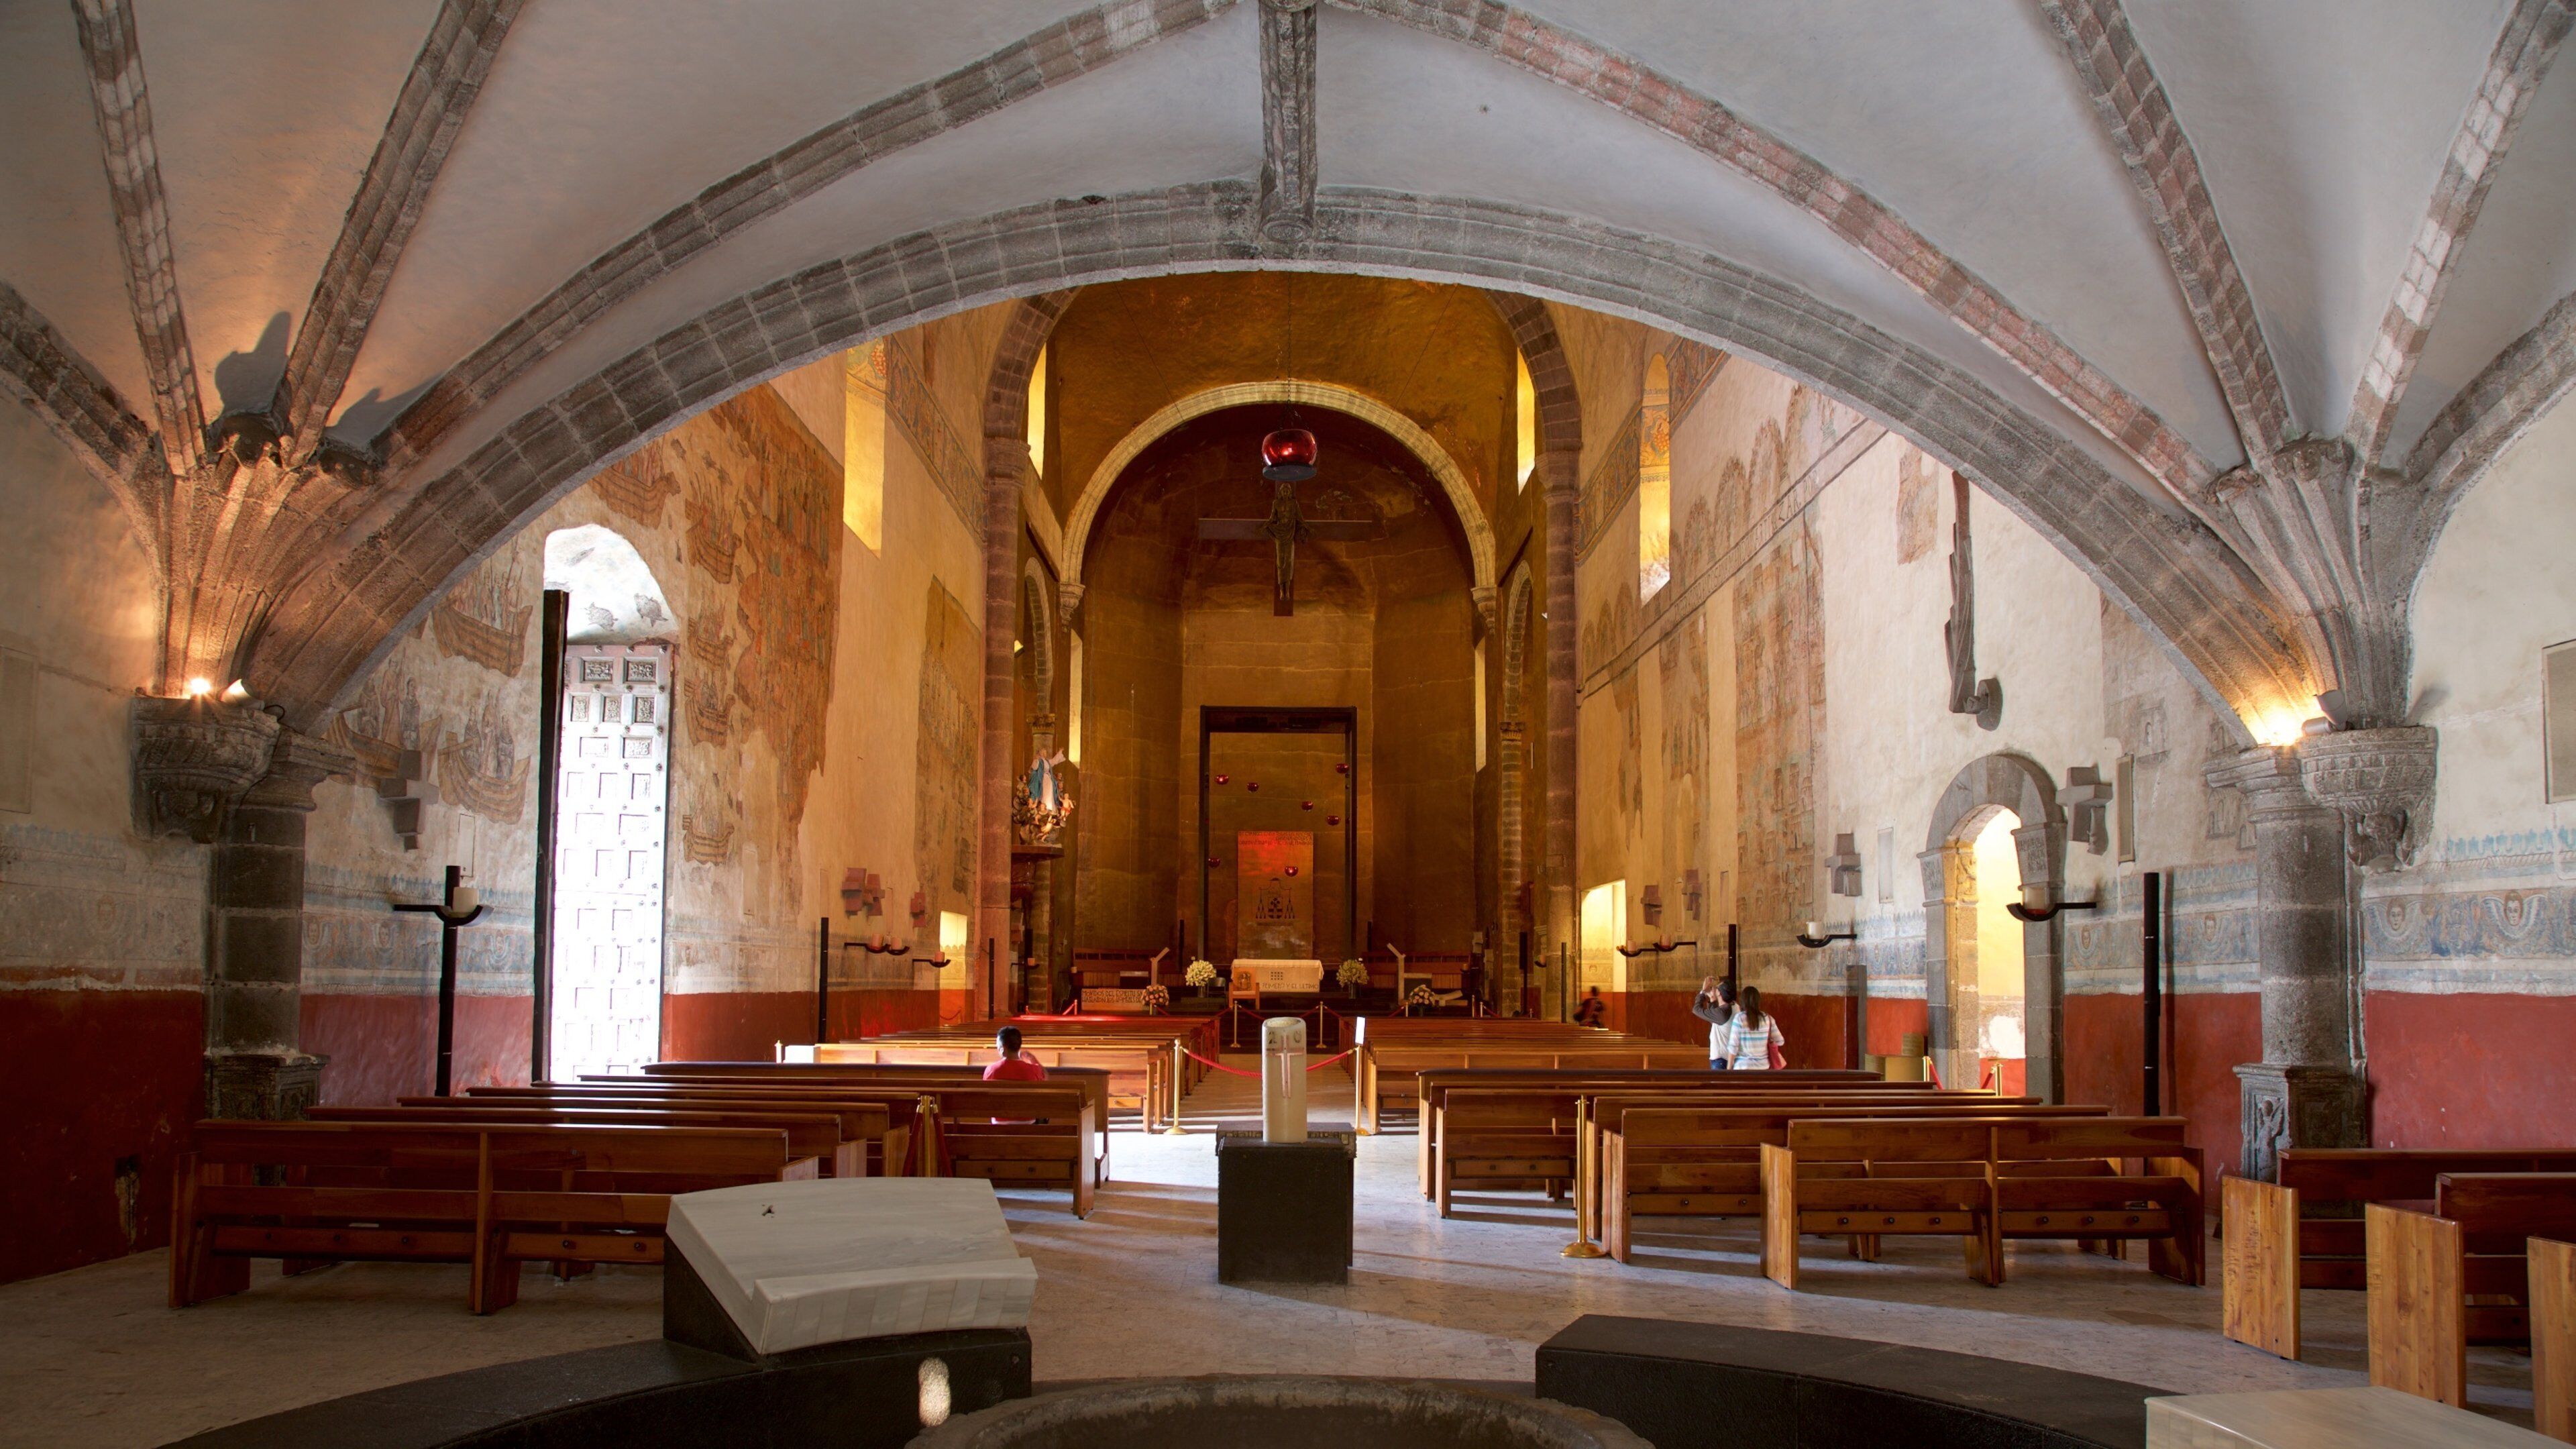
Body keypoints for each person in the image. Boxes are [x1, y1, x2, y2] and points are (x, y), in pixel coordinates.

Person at [1717, 985, 1786, 1071]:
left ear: (1743, 1001)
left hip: (1743, 1067)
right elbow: (1780, 1041)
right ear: (1758, 1001)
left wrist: (1729, 1069)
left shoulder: (1739, 1018)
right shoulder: (1768, 1019)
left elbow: (1733, 1046)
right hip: (1763, 1068)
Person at [1690, 977, 1737, 1069]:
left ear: (1719, 993)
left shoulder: (1722, 1013)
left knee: (1718, 1084)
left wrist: (1703, 992)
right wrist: (1712, 999)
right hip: (1729, 1057)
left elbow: (1696, 1010)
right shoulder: (1735, 1006)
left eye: (1717, 988)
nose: (1714, 989)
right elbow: (1717, 1021)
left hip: (1721, 1060)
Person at [983, 1025, 1047, 1082]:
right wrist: (1033, 1059)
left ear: (1002, 1048)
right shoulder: (1034, 1070)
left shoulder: (991, 1070)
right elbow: (1046, 1078)